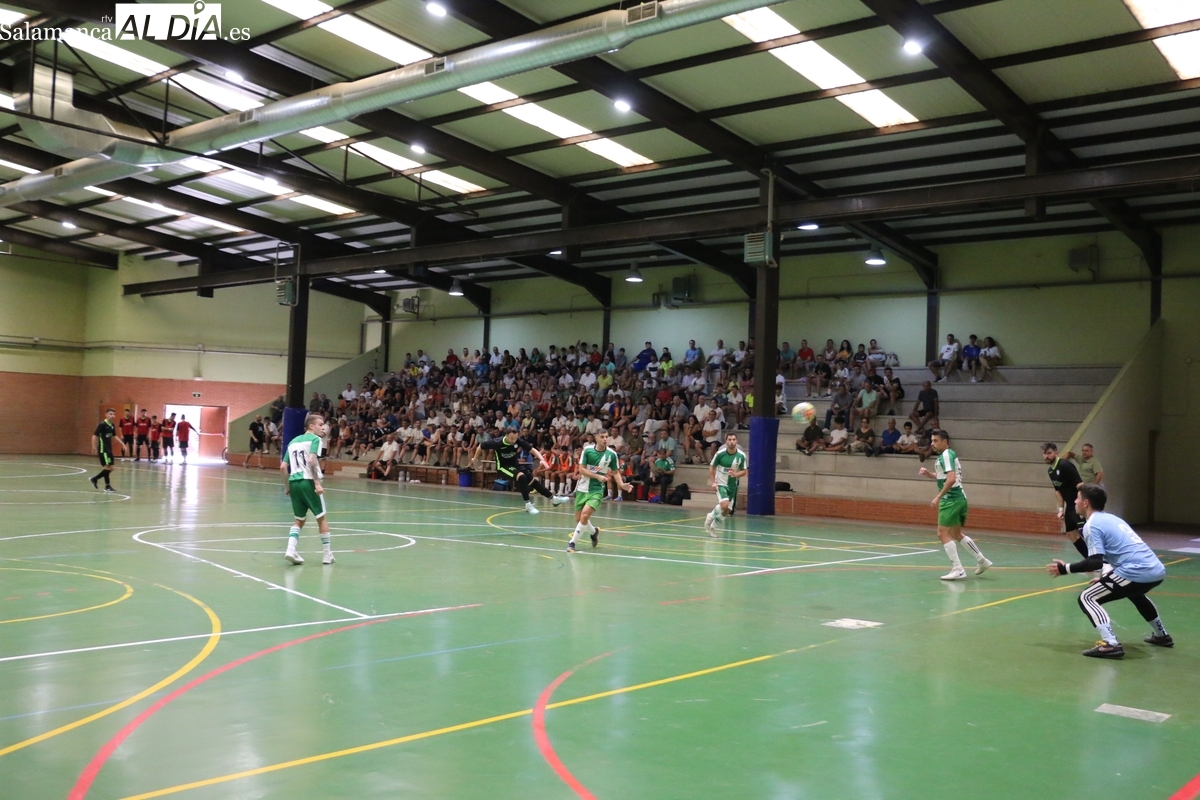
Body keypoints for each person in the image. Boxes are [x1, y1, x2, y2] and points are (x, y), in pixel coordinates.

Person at [1046, 484, 1172, 659]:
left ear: (1086, 503)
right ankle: (1162, 636)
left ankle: (1110, 643)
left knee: (1087, 597)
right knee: (1135, 593)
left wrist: (1065, 569)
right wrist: (1109, 578)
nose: (1074, 501)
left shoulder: (1093, 525)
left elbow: (1095, 562)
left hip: (1135, 571)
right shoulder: (1112, 519)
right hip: (1155, 570)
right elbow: (1117, 554)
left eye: (1077, 498)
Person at [919, 429, 991, 580]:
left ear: (945, 442)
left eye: (935, 441)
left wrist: (938, 496)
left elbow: (951, 479)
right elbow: (943, 477)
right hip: (960, 498)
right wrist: (928, 474)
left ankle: (958, 569)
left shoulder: (946, 455)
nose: (932, 443)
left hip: (950, 499)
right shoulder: (948, 456)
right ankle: (982, 560)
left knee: (942, 533)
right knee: (956, 534)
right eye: (931, 441)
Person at [471, 429, 569, 515]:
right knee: (522, 477)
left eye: (515, 438)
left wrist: (541, 459)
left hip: (515, 465)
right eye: (511, 439)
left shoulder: (517, 440)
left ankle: (554, 499)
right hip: (503, 467)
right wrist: (475, 458)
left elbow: (532, 449)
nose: (514, 441)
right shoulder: (497, 442)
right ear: (506, 436)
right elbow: (481, 446)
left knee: (533, 481)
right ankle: (528, 504)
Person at [281, 413, 335, 565]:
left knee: (299, 519)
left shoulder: (292, 442)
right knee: (321, 517)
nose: (323, 427)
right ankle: (326, 555)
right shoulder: (315, 439)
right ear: (311, 426)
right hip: (308, 481)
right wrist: (317, 483)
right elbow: (311, 460)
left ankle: (291, 550)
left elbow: (283, 467)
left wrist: (287, 487)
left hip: (294, 482)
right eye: (320, 424)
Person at [567, 431, 629, 552]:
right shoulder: (588, 450)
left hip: (597, 490)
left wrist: (621, 484)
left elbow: (615, 472)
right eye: (602, 437)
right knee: (579, 519)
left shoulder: (611, 454)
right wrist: (597, 476)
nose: (605, 439)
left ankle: (572, 543)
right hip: (582, 488)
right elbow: (581, 470)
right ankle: (594, 531)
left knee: (585, 515)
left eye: (606, 437)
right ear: (595, 438)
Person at [1043, 443, 1089, 558]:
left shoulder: (1065, 465)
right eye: (1044, 454)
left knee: (1085, 532)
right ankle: (1089, 559)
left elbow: (1080, 485)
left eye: (1049, 453)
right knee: (1071, 533)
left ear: (1056, 453)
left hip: (1077, 504)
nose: (1046, 456)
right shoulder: (1050, 471)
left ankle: (1104, 560)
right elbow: (1058, 491)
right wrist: (1060, 509)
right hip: (1069, 506)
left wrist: (1083, 506)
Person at [705, 432, 748, 535]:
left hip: (733, 485)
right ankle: (710, 517)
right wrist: (713, 482)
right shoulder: (720, 454)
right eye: (729, 439)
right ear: (726, 441)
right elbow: (712, 467)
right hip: (721, 483)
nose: (732, 442)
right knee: (724, 505)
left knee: (727, 511)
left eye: (733, 440)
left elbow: (744, 471)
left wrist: (736, 474)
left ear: (736, 441)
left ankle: (712, 528)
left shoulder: (741, 456)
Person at [90, 408, 118, 493]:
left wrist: (123, 444)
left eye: (113, 414)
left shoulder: (112, 425)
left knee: (111, 468)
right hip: (103, 449)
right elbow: (94, 436)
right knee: (108, 467)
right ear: (106, 415)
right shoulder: (102, 424)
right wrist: (94, 447)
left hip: (109, 449)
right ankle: (107, 486)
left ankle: (95, 479)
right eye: (110, 414)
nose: (112, 416)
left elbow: (114, 436)